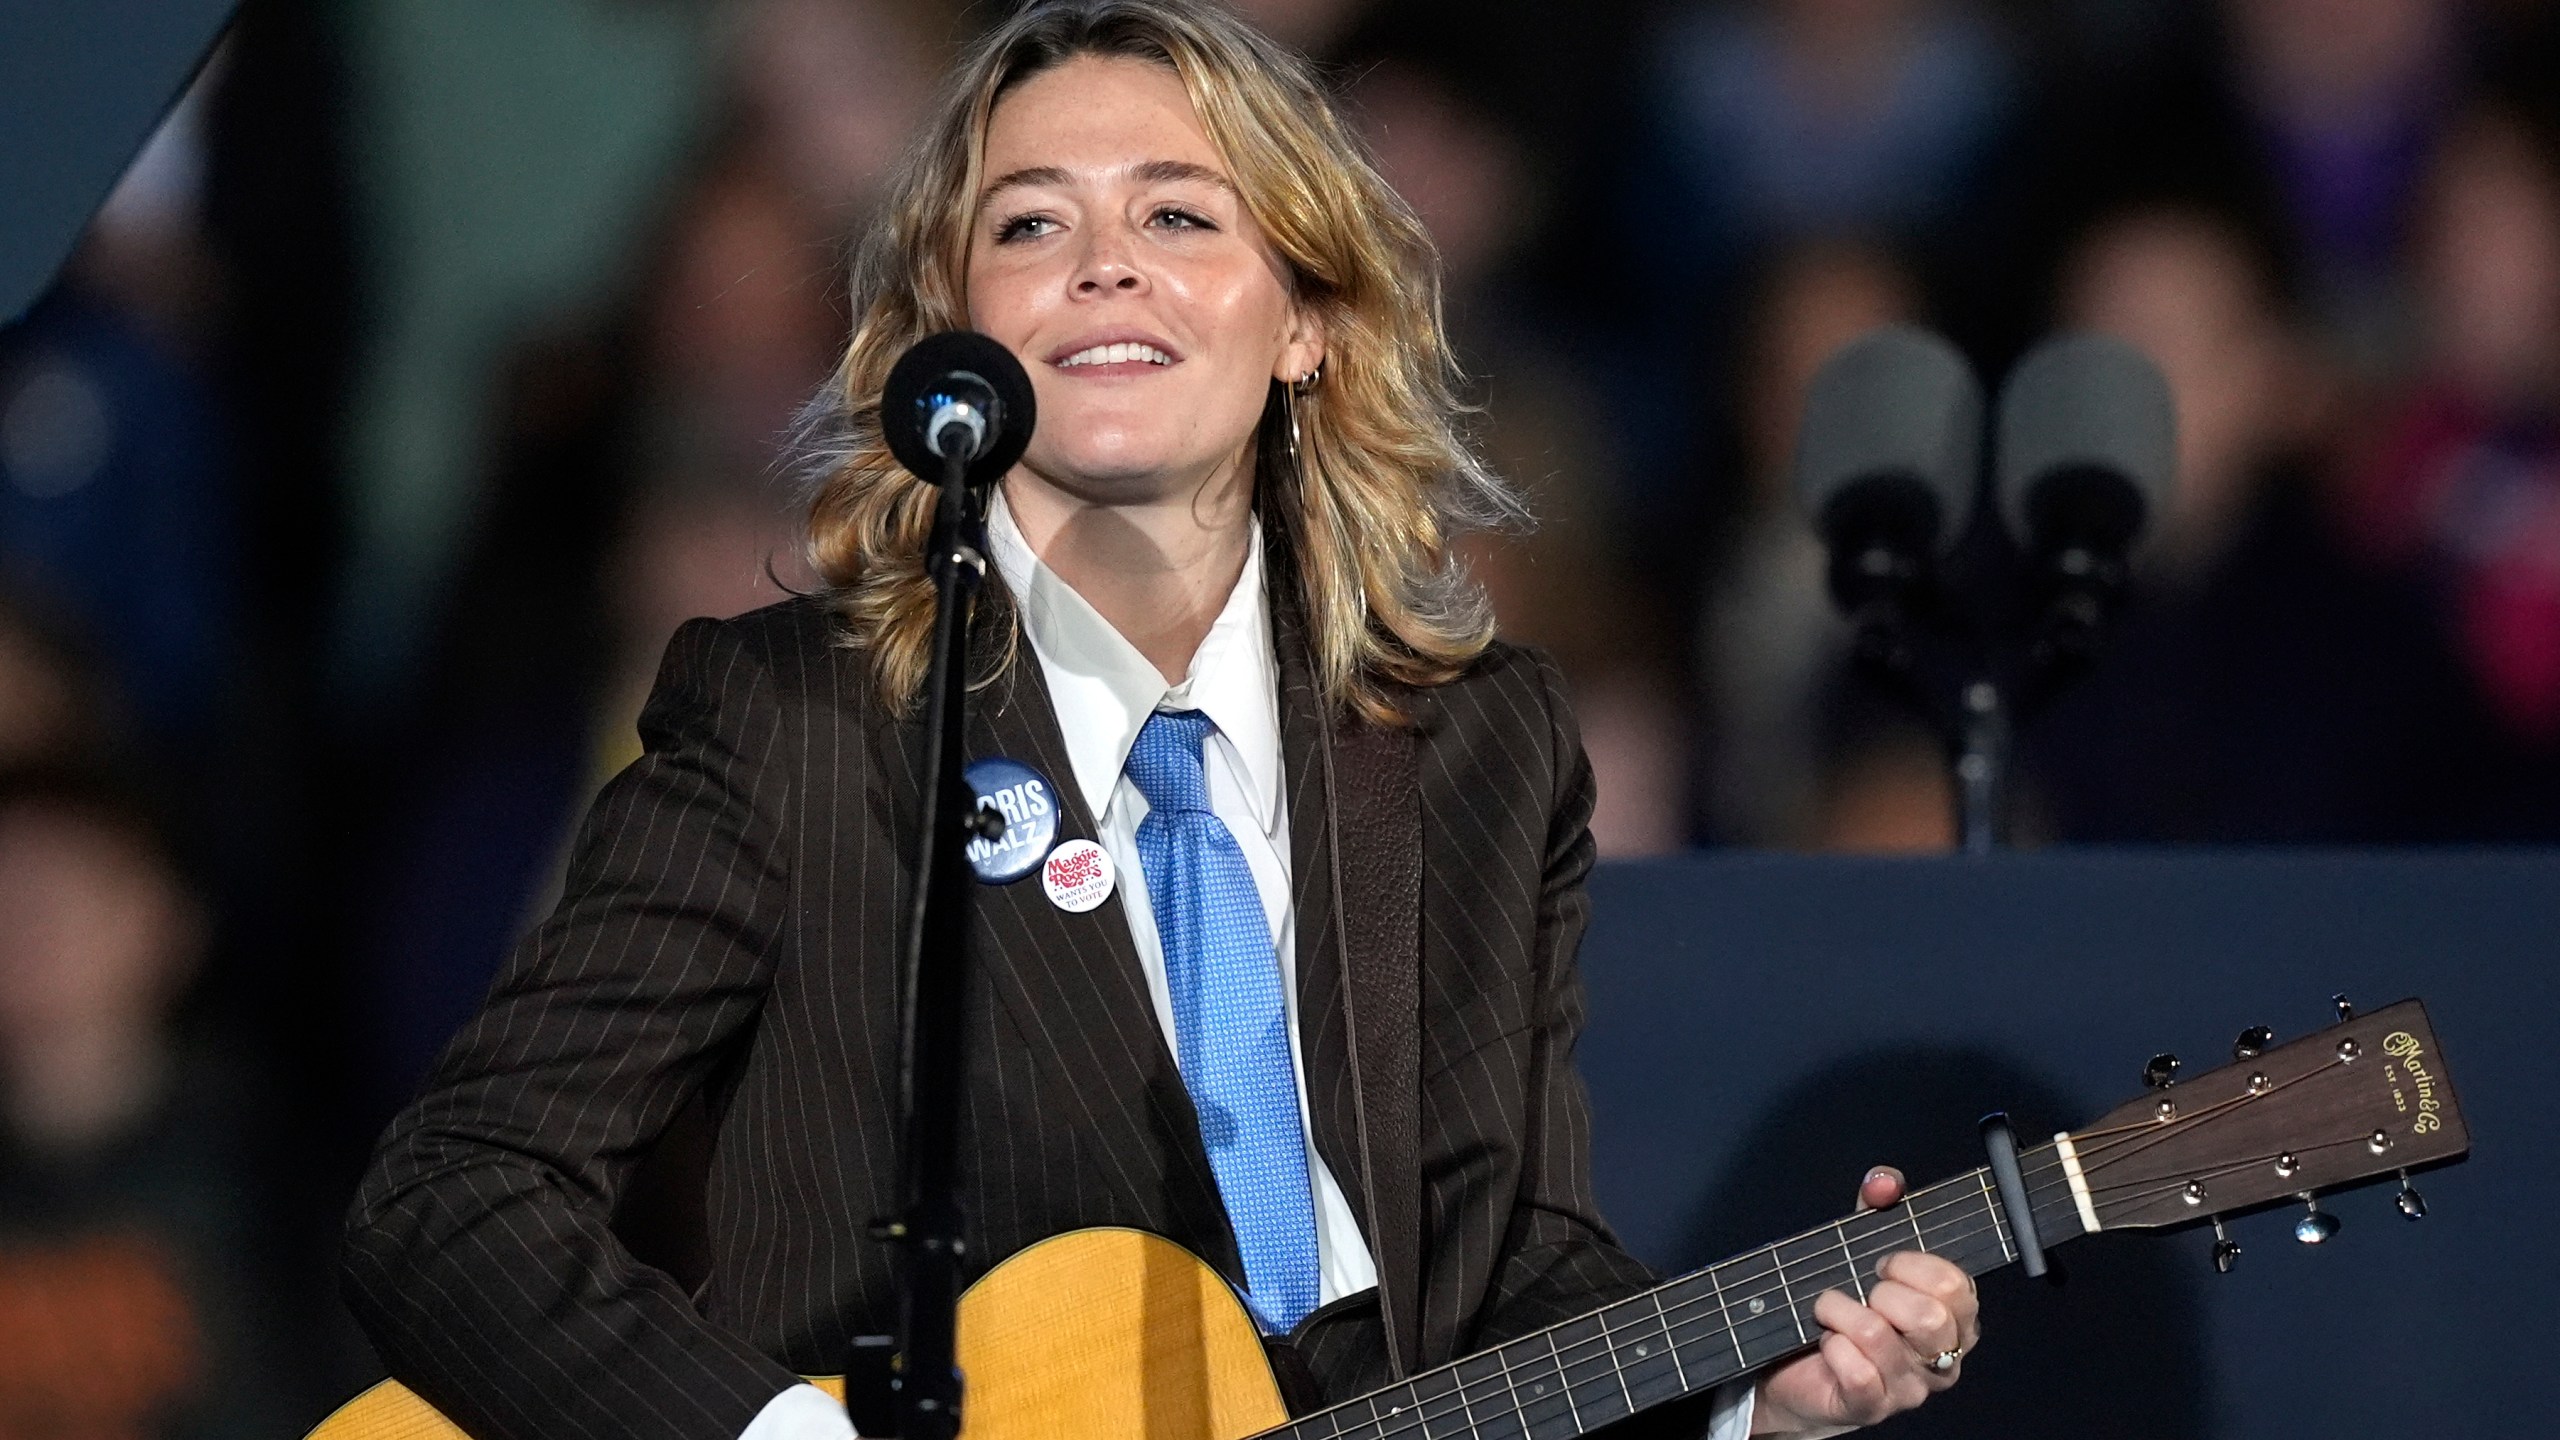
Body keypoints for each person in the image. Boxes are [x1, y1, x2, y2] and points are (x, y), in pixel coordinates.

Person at [340, 5, 1980, 1439]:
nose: (1104, 258)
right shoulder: (800, 719)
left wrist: (1751, 1403)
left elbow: (1511, 1270)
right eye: (1031, 223)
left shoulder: (1480, 740)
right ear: (949, 334)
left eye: (1182, 213)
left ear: (1309, 324)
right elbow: (453, 1196)